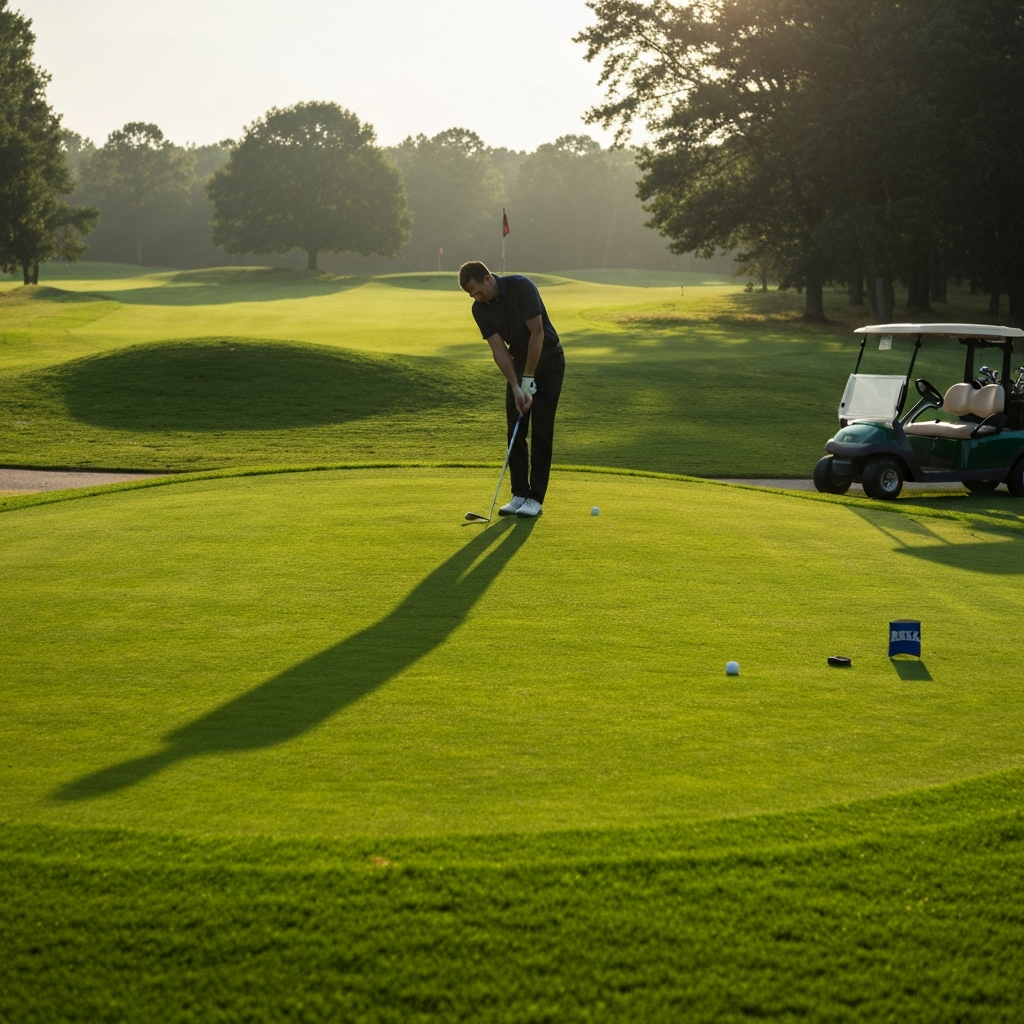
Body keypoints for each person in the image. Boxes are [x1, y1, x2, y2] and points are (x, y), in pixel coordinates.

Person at [459, 261, 565, 518]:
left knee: (541, 431)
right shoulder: (479, 309)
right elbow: (499, 350)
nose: (477, 298)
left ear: (487, 278)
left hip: (549, 362)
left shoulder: (521, 287)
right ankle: (519, 494)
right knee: (515, 430)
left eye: (478, 291)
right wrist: (517, 386)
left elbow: (537, 334)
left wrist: (529, 377)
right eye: (472, 295)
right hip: (518, 365)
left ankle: (535, 499)